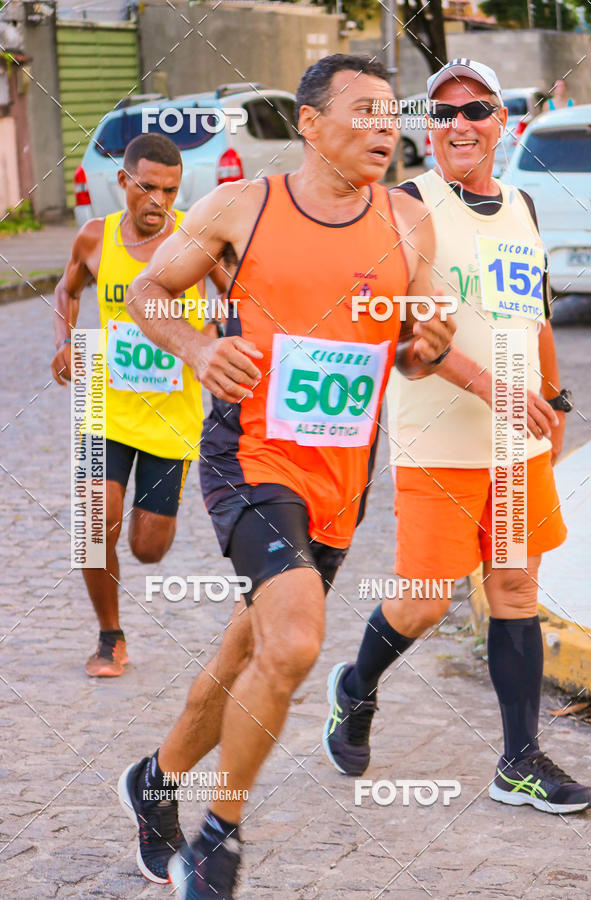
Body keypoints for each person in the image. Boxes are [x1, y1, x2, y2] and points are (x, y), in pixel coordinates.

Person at [117, 54, 455, 896]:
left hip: (340, 480)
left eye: (393, 115)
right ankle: (218, 843)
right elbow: (150, 294)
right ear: (310, 123)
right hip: (250, 459)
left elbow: (415, 352)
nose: (387, 130)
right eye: (367, 112)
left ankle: (154, 780)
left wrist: (427, 345)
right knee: (298, 639)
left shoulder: (410, 222)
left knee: (251, 647)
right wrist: (198, 347)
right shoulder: (242, 206)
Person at [324, 58, 591, 816]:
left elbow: (535, 319)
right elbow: (400, 335)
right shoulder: (406, 207)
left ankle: (519, 761)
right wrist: (491, 387)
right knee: (421, 600)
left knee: (515, 590)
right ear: (428, 128)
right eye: (444, 114)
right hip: (438, 441)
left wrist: (555, 402)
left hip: (515, 449)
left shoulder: (525, 207)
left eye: (476, 110)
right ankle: (356, 686)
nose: (462, 125)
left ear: (499, 122)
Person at [51, 133, 213, 677]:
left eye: (169, 190)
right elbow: (67, 290)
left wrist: (213, 332)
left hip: (172, 411)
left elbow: (238, 292)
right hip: (103, 402)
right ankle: (109, 636)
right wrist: (65, 340)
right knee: (94, 521)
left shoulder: (196, 235)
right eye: (147, 188)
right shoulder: (94, 239)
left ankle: (150, 528)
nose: (158, 202)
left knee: (148, 548)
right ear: (122, 182)